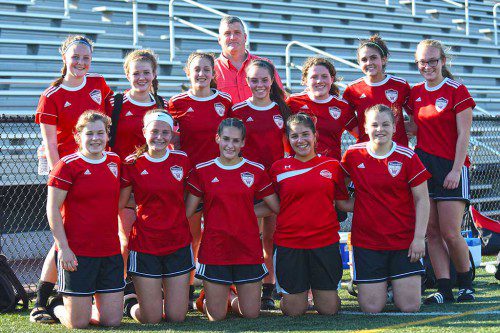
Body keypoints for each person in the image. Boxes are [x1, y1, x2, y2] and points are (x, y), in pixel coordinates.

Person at [31, 35, 112, 324]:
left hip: (96, 171)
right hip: (69, 176)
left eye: (86, 58)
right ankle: (40, 301)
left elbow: (105, 127)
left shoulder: (98, 85)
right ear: (63, 57)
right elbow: (51, 145)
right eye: (75, 57)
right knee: (63, 238)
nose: (80, 63)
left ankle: (75, 294)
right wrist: (61, 179)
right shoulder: (51, 95)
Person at [185, 118, 279, 321]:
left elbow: (274, 207)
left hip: (247, 250)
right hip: (215, 250)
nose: (230, 145)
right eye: (226, 139)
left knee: (251, 314)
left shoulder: (255, 170)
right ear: (217, 138)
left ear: (243, 143)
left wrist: (243, 211)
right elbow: (189, 210)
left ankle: (231, 295)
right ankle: (218, 295)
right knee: (216, 317)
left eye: (236, 141)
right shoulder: (202, 170)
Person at [341, 104, 430, 313]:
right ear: (365, 126)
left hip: (403, 241)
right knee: (371, 308)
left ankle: (395, 287)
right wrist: (359, 205)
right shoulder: (353, 155)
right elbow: (339, 193)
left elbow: (422, 200)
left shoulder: (407, 156)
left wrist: (419, 238)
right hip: (368, 242)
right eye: (374, 124)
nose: (379, 129)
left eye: (385, 124)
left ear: (394, 126)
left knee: (409, 307)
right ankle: (381, 288)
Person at [407, 39, 476, 304]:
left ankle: (466, 283)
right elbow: (415, 128)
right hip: (424, 167)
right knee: (431, 233)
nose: (427, 66)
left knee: (450, 232)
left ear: (443, 61)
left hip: (451, 166)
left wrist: (456, 169)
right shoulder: (415, 92)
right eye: (422, 62)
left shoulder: (457, 89)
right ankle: (444, 288)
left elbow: (463, 134)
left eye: (432, 60)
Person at [268, 112, 353, 316]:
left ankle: (324, 293)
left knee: (329, 309)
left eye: (305, 134)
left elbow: (343, 202)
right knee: (294, 311)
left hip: (324, 243)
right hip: (290, 244)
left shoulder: (332, 166)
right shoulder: (278, 168)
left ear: (315, 136)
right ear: (288, 139)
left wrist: (379, 202)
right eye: (294, 136)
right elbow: (272, 205)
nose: (300, 140)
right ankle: (293, 297)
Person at [45, 111, 124, 329]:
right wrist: (64, 249)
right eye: (90, 134)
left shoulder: (115, 161)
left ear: (107, 135)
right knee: (78, 324)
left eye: (100, 133)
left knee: (112, 321)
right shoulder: (67, 165)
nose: (96, 138)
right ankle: (56, 306)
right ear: (79, 136)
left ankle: (90, 305)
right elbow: (52, 209)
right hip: (78, 253)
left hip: (109, 251)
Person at [168, 51, 232, 307]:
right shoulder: (177, 103)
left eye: (207, 69)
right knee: (192, 235)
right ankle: (189, 285)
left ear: (214, 73)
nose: (202, 74)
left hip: (220, 178)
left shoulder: (225, 101)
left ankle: (218, 286)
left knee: (219, 233)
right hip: (191, 180)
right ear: (188, 72)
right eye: (197, 69)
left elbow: (232, 140)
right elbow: (173, 143)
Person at [120, 110, 193, 323]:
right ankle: (131, 304)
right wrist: (146, 204)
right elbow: (123, 201)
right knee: (151, 319)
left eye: (165, 132)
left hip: (177, 243)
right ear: (144, 132)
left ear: (172, 134)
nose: (159, 137)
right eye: (154, 131)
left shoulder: (182, 160)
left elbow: (188, 196)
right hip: (145, 245)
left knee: (176, 317)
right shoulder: (133, 163)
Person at [230, 59, 289, 310]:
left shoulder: (284, 110)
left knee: (271, 237)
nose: (260, 85)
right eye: (254, 80)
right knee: (250, 236)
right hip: (247, 183)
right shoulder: (239, 111)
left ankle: (269, 286)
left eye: (264, 80)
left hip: (274, 182)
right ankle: (247, 284)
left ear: (272, 81)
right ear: (247, 82)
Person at [107, 49, 167, 276]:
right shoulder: (115, 103)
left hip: (153, 184)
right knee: (126, 236)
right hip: (122, 181)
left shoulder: (162, 104)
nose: (141, 78)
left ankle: (149, 283)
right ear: (127, 75)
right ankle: (123, 285)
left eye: (146, 72)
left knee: (151, 236)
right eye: (136, 73)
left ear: (154, 74)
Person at [343, 34, 410, 147]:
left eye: (373, 58)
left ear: (383, 60)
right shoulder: (352, 89)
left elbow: (414, 115)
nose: (369, 63)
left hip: (397, 148)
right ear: (359, 63)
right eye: (364, 59)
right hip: (367, 150)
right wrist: (363, 134)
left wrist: (402, 130)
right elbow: (345, 118)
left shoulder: (400, 85)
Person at [286, 57, 357, 161]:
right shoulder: (292, 102)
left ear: (332, 79)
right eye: (314, 77)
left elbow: (361, 136)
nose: (319, 81)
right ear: (305, 80)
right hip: (299, 169)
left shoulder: (342, 106)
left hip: (330, 170)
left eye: (324, 76)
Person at [214, 16, 283, 104]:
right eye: (227, 33)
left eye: (237, 32)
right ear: (219, 39)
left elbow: (280, 99)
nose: (232, 37)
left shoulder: (265, 65)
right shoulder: (211, 70)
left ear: (245, 37)